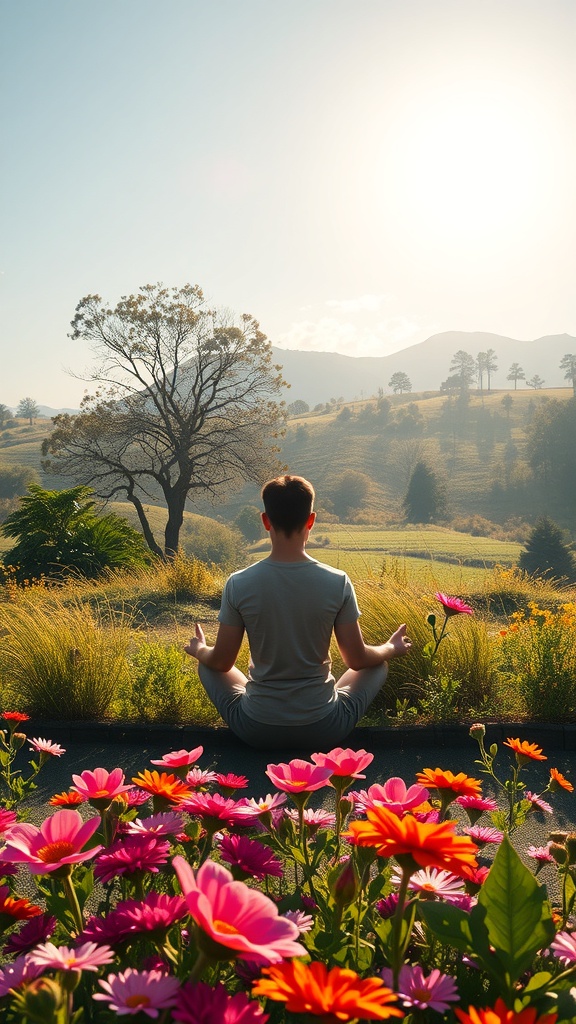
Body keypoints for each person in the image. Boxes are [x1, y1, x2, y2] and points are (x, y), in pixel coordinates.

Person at [184, 474, 411, 750]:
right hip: (324, 728)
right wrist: (390, 647)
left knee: (207, 666)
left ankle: (260, 703)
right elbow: (357, 659)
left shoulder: (238, 583)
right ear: (311, 520)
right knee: (378, 664)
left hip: (256, 729)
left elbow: (221, 662)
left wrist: (199, 649)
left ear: (266, 520)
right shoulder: (337, 581)